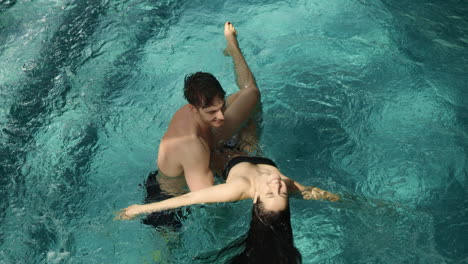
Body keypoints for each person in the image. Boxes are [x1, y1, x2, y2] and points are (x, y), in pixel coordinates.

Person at [117, 156, 340, 263]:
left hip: (225, 157)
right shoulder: (288, 185)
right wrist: (347, 200)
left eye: (271, 193)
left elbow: (190, 197)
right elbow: (318, 193)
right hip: (247, 147)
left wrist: (141, 208)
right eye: (280, 192)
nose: (277, 184)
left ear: (255, 200)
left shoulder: (238, 189)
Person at [155, 21, 260, 197]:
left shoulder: (204, 109)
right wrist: (251, 187)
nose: (221, 116)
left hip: (209, 145)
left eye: (222, 106)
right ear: (193, 108)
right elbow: (208, 199)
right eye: (211, 112)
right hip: (174, 195)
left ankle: (232, 48)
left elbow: (242, 95)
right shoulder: (191, 146)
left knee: (252, 94)